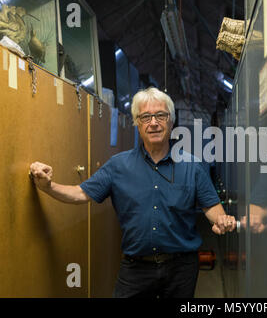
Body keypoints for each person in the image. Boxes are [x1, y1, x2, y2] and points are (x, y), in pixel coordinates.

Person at [29, 87, 237, 298]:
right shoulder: (118, 166)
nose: (153, 122)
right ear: (137, 123)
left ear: (171, 122)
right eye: (145, 117)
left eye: (161, 115)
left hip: (181, 268)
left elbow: (213, 209)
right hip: (136, 267)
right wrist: (48, 186)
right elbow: (80, 194)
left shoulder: (192, 166)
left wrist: (223, 221)